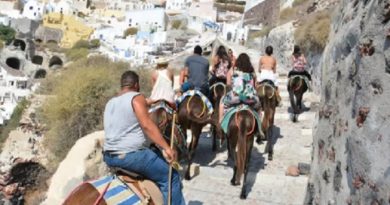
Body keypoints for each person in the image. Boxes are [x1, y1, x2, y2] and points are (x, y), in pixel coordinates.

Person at [103, 71, 185, 205]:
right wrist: (167, 148)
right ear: (136, 85)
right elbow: (147, 126)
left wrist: (152, 101)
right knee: (171, 177)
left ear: (122, 85)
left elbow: (136, 105)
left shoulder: (111, 102)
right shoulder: (137, 97)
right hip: (131, 156)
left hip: (109, 156)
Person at [219, 53, 260, 122]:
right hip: (249, 99)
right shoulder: (252, 71)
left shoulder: (233, 70)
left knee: (222, 103)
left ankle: (220, 122)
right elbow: (255, 86)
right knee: (259, 106)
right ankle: (259, 124)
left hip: (236, 97)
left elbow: (228, 85)